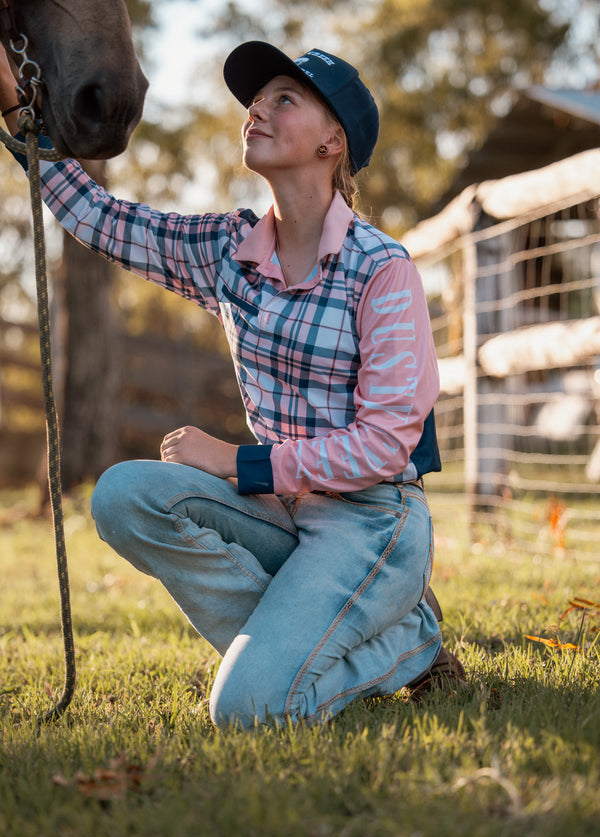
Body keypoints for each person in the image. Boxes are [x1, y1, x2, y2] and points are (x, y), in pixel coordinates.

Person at [0, 41, 465, 727]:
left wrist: (237, 462)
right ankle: (359, 632)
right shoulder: (227, 251)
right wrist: (15, 105)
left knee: (246, 710)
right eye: (255, 99)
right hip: (285, 517)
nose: (257, 110)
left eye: (285, 99)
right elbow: (98, 218)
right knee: (123, 496)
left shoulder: (382, 271)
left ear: (331, 141)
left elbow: (386, 447)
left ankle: (403, 642)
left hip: (372, 524)